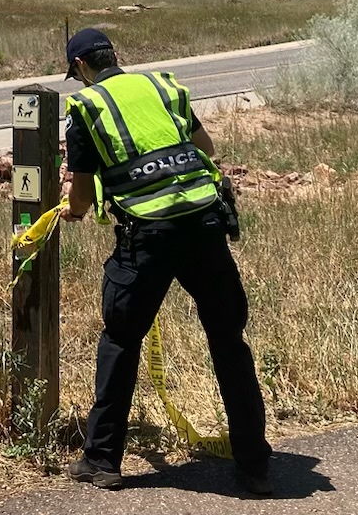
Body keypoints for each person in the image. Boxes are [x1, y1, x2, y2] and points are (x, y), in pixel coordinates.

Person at [58, 27, 273, 496]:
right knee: (228, 343)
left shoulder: (87, 108)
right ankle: (255, 464)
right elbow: (207, 149)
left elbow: (80, 188)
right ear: (115, 56)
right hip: (204, 228)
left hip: (147, 239)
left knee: (120, 339)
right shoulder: (163, 88)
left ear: (80, 68)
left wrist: (74, 210)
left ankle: (102, 461)